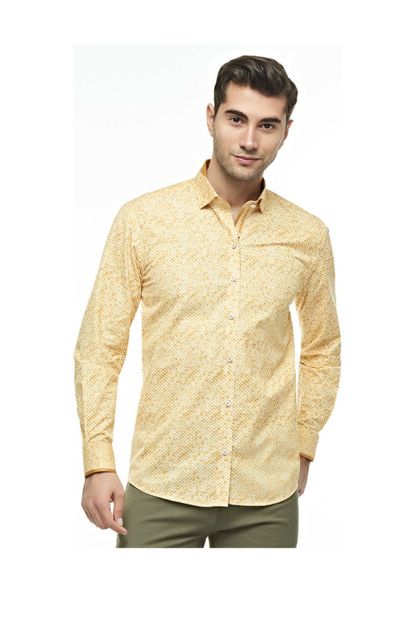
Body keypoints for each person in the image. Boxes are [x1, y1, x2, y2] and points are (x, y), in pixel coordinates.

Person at [73, 54, 341, 548]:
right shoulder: (143, 221)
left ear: (286, 131)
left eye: (267, 125)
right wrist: (98, 461)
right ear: (211, 117)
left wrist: (304, 443)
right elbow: (99, 347)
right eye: (236, 119)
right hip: (162, 483)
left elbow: (323, 347)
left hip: (267, 494)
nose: (249, 140)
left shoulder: (307, 235)